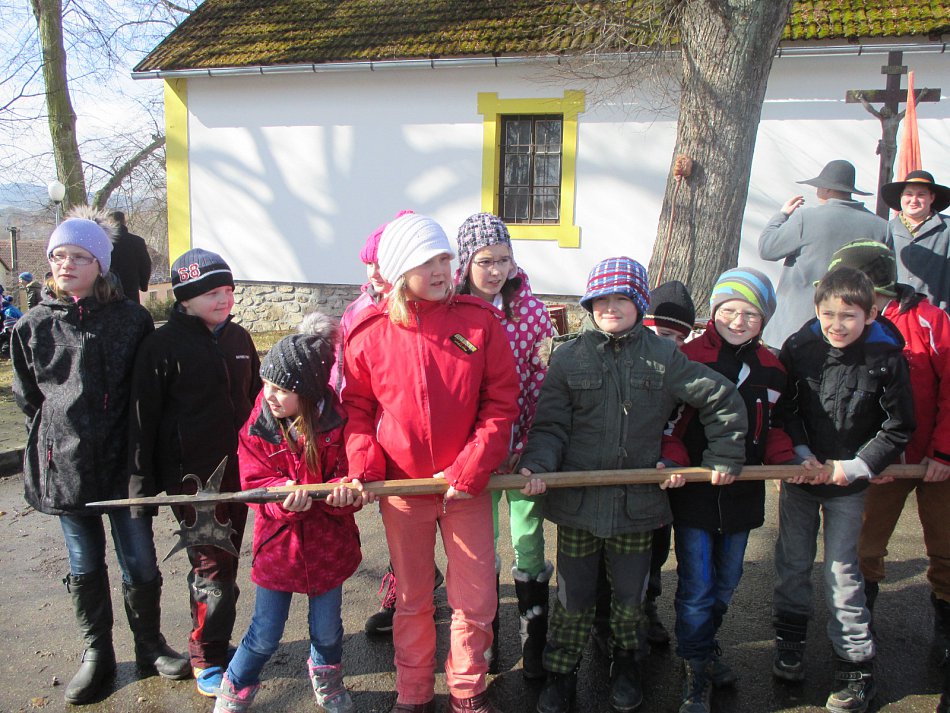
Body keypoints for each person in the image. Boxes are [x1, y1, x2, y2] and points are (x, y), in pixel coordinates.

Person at [518, 256, 747, 713]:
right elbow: (550, 426)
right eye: (601, 299)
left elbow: (720, 397)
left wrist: (724, 455)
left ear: (639, 303)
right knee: (573, 597)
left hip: (637, 505)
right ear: (589, 304)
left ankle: (626, 665)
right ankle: (561, 672)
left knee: (630, 597)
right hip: (579, 504)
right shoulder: (568, 357)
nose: (610, 307)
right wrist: (538, 464)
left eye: (621, 298)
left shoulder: (663, 356)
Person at [341, 212, 522, 713]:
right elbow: (356, 410)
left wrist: (469, 468)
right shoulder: (370, 334)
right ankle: (414, 692)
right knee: (413, 597)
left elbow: (501, 402)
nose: (442, 269)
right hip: (404, 490)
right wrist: (365, 468)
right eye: (427, 261)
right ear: (401, 269)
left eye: (444, 257)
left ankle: (468, 689)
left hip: (467, 487)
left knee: (476, 597)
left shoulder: (479, 322)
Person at [11, 207, 189, 705]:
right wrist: (54, 440)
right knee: (84, 564)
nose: (66, 264)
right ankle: (98, 652)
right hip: (65, 469)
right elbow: (30, 398)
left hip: (123, 465)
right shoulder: (32, 326)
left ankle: (150, 644)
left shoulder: (131, 320)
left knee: (139, 560)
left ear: (100, 265)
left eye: (79, 257)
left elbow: (147, 391)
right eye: (58, 256)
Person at [772, 266, 915, 713]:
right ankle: (789, 641)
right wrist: (799, 453)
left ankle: (855, 665)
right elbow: (786, 409)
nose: (838, 324)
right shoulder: (800, 347)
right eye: (829, 314)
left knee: (842, 572)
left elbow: (898, 425)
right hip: (803, 476)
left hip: (848, 481)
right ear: (817, 310)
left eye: (849, 316)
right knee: (792, 563)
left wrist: (858, 467)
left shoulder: (886, 357)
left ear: (870, 315)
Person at [663, 268, 804, 713]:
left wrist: (787, 460)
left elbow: (775, 426)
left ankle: (706, 644)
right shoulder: (689, 357)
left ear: (764, 320)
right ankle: (695, 669)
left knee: (727, 581)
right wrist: (674, 461)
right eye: (729, 310)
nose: (738, 321)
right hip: (696, 491)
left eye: (750, 314)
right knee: (698, 584)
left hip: (744, 491)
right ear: (714, 311)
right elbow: (669, 424)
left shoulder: (773, 369)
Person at [127, 248, 262, 696]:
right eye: (211, 293)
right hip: (195, 481)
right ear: (184, 298)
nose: (224, 299)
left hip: (240, 472)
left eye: (228, 290)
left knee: (228, 561)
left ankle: (216, 641)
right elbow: (143, 417)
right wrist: (140, 484)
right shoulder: (162, 346)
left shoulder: (239, 338)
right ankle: (207, 656)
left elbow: (258, 401)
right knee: (211, 565)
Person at [214, 314, 361, 713]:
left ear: (309, 392)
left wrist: (344, 492)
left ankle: (327, 677)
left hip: (329, 546)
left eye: (281, 389)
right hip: (280, 548)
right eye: (267, 384)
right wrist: (279, 496)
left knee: (327, 629)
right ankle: (237, 683)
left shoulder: (338, 423)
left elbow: (353, 474)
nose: (270, 395)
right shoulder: (258, 428)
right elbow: (254, 481)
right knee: (265, 631)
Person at [824, 241, 950, 671]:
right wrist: (866, 458)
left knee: (946, 546)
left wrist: (943, 453)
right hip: (881, 461)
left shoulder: (930, 321)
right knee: (863, 548)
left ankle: (945, 631)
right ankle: (861, 625)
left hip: (933, 460)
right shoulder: (845, 324)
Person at [454, 211, 555, 678]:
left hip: (519, 450)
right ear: (465, 262)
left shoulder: (529, 312)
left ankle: (535, 638)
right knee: (480, 547)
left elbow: (540, 383)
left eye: (504, 260)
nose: (496, 271)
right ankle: (486, 637)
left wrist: (529, 445)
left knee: (528, 539)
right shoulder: (452, 312)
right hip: (471, 452)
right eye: (485, 261)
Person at [589, 279, 699, 656]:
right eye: (660, 334)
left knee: (654, 548)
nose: (669, 343)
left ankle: (646, 607)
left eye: (676, 337)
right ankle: (602, 618)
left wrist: (672, 457)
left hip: (656, 476)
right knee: (602, 551)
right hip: (609, 474)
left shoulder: (678, 371)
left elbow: (678, 425)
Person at [758, 159, 887, 347]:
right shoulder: (881, 227)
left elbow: (767, 249)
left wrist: (782, 215)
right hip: (851, 331)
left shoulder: (805, 218)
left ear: (826, 189)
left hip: (795, 328)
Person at [881, 170, 950, 313]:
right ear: (901, 197)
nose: (914, 200)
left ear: (932, 197)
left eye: (921, 195)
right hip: (895, 313)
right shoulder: (887, 229)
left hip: (937, 313)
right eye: (909, 194)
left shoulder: (947, 229)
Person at [109, 211, 152, 304]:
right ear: (124, 222)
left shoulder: (104, 242)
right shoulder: (137, 241)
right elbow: (145, 265)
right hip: (131, 288)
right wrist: (143, 285)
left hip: (108, 289)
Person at [0, 294, 23, 360]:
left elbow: (11, 328)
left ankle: (8, 355)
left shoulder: (8, 311)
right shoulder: (12, 308)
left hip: (16, 332)